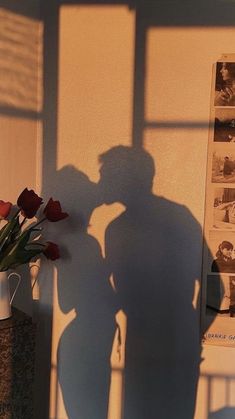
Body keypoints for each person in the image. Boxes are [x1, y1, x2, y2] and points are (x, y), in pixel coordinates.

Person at [98, 145, 204, 419]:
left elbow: (119, 293)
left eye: (106, 174)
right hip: (174, 337)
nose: (101, 182)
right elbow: (212, 283)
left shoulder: (117, 229)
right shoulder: (179, 216)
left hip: (149, 339)